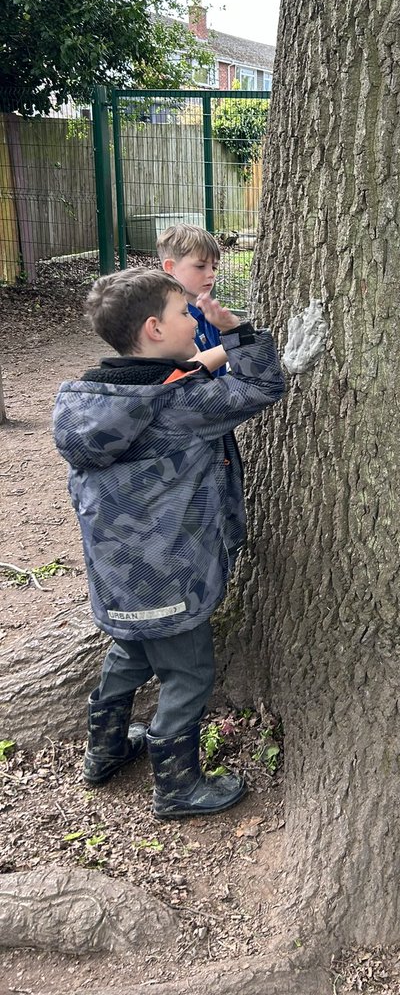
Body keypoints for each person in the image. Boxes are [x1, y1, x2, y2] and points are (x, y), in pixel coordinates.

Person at [53, 269, 285, 818]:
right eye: (187, 313)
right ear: (156, 328)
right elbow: (260, 387)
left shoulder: (98, 398)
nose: (196, 318)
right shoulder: (178, 409)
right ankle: (177, 785)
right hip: (172, 575)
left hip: (118, 579)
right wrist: (238, 332)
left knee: (130, 651)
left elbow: (182, 378)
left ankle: (104, 751)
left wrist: (205, 355)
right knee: (189, 672)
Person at [157, 223, 227, 375]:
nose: (211, 274)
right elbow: (193, 367)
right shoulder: (170, 318)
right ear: (170, 267)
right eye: (200, 266)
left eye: (214, 267)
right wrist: (237, 341)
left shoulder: (208, 311)